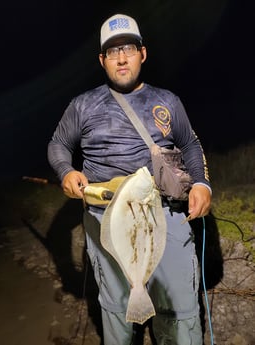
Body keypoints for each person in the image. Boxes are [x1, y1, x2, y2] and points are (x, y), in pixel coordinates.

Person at [47, 13, 211, 345]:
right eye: (112, 51)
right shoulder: (83, 105)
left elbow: (190, 144)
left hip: (165, 215)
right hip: (106, 219)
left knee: (180, 313)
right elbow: (59, 145)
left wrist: (202, 184)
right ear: (102, 60)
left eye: (129, 48)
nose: (121, 58)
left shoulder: (167, 101)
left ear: (143, 53)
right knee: (118, 309)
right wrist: (67, 172)